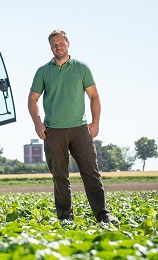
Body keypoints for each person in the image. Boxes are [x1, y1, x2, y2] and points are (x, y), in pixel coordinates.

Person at [28, 29, 118, 224]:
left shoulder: (82, 68)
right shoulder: (43, 71)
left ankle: (103, 215)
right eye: (54, 44)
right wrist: (38, 123)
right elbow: (32, 99)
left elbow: (94, 96)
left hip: (80, 129)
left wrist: (96, 123)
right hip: (53, 132)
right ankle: (65, 218)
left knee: (91, 172)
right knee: (60, 177)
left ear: (68, 43)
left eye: (60, 43)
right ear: (50, 47)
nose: (57, 47)